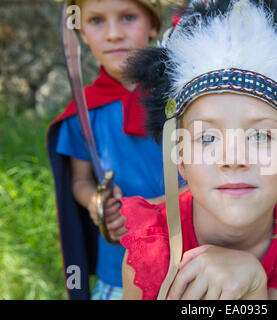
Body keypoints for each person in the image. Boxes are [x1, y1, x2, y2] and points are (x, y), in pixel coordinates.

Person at [119, 0, 277, 300]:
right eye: (207, 138)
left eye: (261, 136)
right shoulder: (151, 249)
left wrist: (254, 285)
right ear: (181, 160)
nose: (233, 159)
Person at [47, 0, 178, 300]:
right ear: (80, 32)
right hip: (120, 269)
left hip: (189, 257)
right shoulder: (84, 112)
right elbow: (80, 180)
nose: (113, 34)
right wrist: (96, 202)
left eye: (128, 17)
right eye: (96, 21)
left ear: (153, 25)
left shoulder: (183, 98)